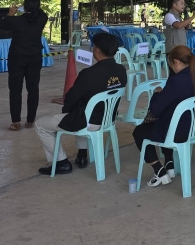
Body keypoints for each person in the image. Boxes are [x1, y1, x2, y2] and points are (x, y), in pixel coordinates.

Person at [34, 33, 126, 175]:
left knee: (41, 124)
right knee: (82, 110)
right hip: (108, 118)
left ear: (97, 50)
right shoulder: (121, 70)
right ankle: (82, 155)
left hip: (89, 121)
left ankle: (61, 162)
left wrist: (66, 111)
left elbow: (71, 98)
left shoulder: (89, 73)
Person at [132, 46, 195, 186]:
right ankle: (169, 163)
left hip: (178, 132)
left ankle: (159, 171)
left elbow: (155, 109)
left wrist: (157, 93)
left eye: (171, 65)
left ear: (176, 62)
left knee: (139, 132)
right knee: (164, 122)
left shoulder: (176, 81)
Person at [0, 0, 49, 131]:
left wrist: (11, 13)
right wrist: (29, 10)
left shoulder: (16, 20)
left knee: (15, 90)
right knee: (33, 89)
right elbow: (42, 13)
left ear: (24, 7)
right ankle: (31, 120)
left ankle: (16, 121)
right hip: (34, 58)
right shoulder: (42, 19)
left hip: (17, 58)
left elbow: (1, 25)